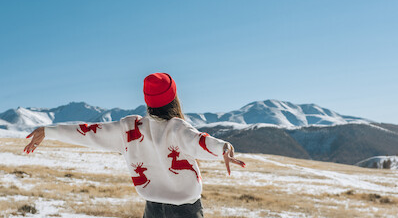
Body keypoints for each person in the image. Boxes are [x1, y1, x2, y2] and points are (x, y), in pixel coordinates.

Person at [24, 72, 246, 218]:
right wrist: (223, 149)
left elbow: (89, 132)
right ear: (174, 98)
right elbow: (201, 141)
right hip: (186, 212)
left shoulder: (129, 128)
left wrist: (49, 130)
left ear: (147, 100)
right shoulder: (178, 128)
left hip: (152, 210)